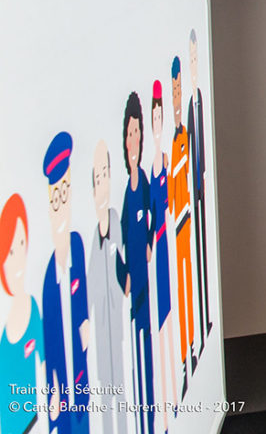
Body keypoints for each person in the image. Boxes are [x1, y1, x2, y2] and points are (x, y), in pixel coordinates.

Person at [40, 132, 89, 434]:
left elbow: (82, 306)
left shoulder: (77, 248)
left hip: (81, 379)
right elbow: (50, 340)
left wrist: (85, 327)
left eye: (66, 191)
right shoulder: (48, 279)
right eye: (57, 196)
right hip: (61, 395)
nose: (63, 202)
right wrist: (53, 387)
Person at [88, 141, 130, 434]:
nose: (103, 183)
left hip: (117, 323)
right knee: (106, 393)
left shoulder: (115, 220)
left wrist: (126, 278)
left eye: (106, 174)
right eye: (98, 177)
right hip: (102, 332)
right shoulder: (93, 239)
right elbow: (91, 285)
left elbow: (121, 260)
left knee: (121, 387)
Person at [121, 94, 155, 434]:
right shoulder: (126, 193)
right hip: (134, 283)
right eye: (130, 134)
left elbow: (152, 215)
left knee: (147, 347)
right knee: (135, 347)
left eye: (137, 132)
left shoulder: (142, 181)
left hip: (145, 275)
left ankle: (151, 416)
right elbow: (119, 236)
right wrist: (124, 277)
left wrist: (148, 243)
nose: (135, 140)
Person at [0, 193, 45, 434]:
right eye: (10, 252)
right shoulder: (3, 340)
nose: (17, 258)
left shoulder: (32, 308)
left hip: (35, 419)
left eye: (20, 244)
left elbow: (45, 359)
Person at [148, 86, 174, 429]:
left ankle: (171, 399)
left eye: (158, 117)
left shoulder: (164, 160)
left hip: (168, 242)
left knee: (168, 323)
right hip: (157, 250)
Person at [169, 59, 195, 394]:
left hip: (189, 216)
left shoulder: (185, 131)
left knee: (190, 284)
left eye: (179, 87)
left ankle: (190, 345)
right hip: (174, 227)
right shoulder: (172, 144)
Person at [185, 32, 210, 349]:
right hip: (189, 198)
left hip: (201, 188)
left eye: (195, 57)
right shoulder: (189, 109)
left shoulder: (200, 98)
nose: (195, 64)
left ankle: (203, 323)